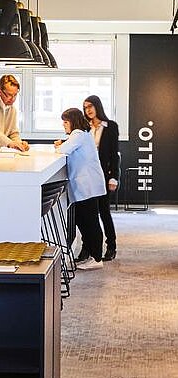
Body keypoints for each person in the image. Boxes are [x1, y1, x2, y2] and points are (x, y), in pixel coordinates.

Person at [54, 108, 107, 270]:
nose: (63, 125)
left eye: (65, 122)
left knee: (90, 222)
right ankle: (90, 255)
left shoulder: (78, 134)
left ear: (73, 122)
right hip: (87, 185)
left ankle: (97, 258)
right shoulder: (82, 134)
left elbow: (62, 150)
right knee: (84, 221)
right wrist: (63, 143)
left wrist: (61, 145)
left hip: (87, 185)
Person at [77, 95, 119, 261]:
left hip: (103, 175)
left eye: (90, 106)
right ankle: (87, 248)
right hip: (87, 176)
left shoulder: (110, 126)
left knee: (104, 212)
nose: (88, 110)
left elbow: (114, 155)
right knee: (88, 215)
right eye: (85, 107)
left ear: (97, 106)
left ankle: (111, 246)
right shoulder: (83, 127)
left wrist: (114, 177)